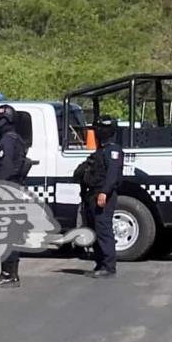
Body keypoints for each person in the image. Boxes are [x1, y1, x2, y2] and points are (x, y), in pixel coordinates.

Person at [0, 104, 30, 288]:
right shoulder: (15, 139)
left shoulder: (8, 141)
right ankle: (10, 274)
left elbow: (7, 167)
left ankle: (8, 275)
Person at [74, 117, 123, 278]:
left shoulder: (113, 151)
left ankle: (109, 267)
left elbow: (112, 175)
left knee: (103, 230)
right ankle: (100, 263)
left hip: (103, 195)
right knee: (94, 229)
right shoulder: (100, 152)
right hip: (92, 194)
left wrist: (105, 192)